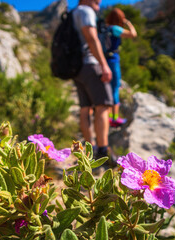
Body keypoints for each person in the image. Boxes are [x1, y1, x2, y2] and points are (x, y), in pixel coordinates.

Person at [72, 0, 113, 159]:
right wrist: (104, 65)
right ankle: (103, 152)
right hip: (90, 64)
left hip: (77, 68)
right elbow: (92, 38)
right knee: (102, 106)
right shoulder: (86, 11)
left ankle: (89, 151)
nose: (99, 2)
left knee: (85, 108)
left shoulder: (73, 13)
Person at [105, 8, 137, 127]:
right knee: (115, 88)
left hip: (103, 60)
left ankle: (108, 117)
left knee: (107, 88)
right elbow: (133, 34)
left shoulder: (105, 28)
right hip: (113, 60)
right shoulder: (115, 29)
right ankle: (114, 118)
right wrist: (128, 23)